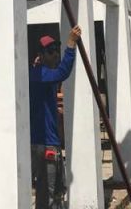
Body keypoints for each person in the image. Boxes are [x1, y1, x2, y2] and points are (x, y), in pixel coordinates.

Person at [29, 25, 82, 209]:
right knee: (53, 192)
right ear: (41, 55)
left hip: (45, 142)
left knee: (46, 191)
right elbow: (63, 73)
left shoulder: (40, 73)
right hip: (45, 144)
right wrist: (71, 45)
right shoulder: (40, 74)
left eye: (56, 51)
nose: (55, 55)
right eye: (51, 52)